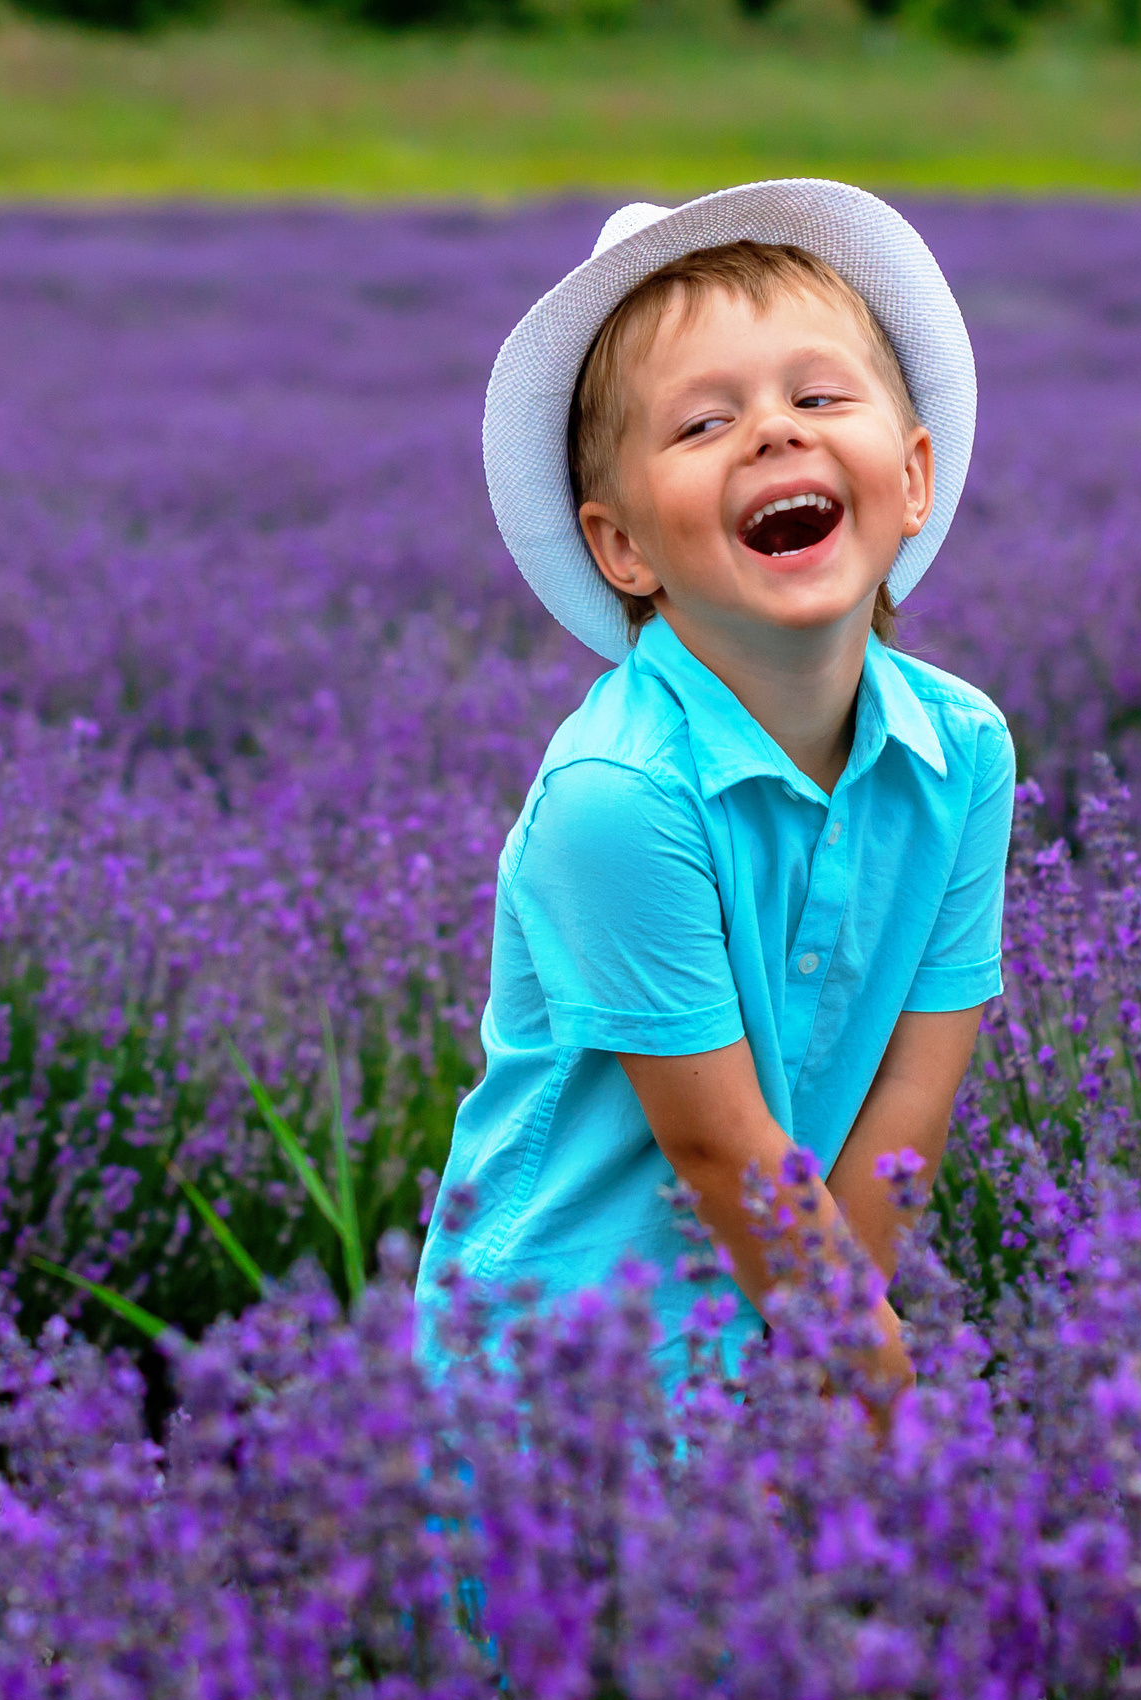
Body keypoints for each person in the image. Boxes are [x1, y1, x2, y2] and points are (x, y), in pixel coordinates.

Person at [417, 182, 1014, 1402]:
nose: (773, 432)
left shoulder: (962, 752)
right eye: (701, 424)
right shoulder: (617, 797)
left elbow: (912, 1090)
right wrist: (876, 1385)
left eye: (818, 395)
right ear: (622, 545)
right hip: (554, 1368)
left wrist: (823, 1362)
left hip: (783, 1312)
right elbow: (716, 1143)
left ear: (910, 478)